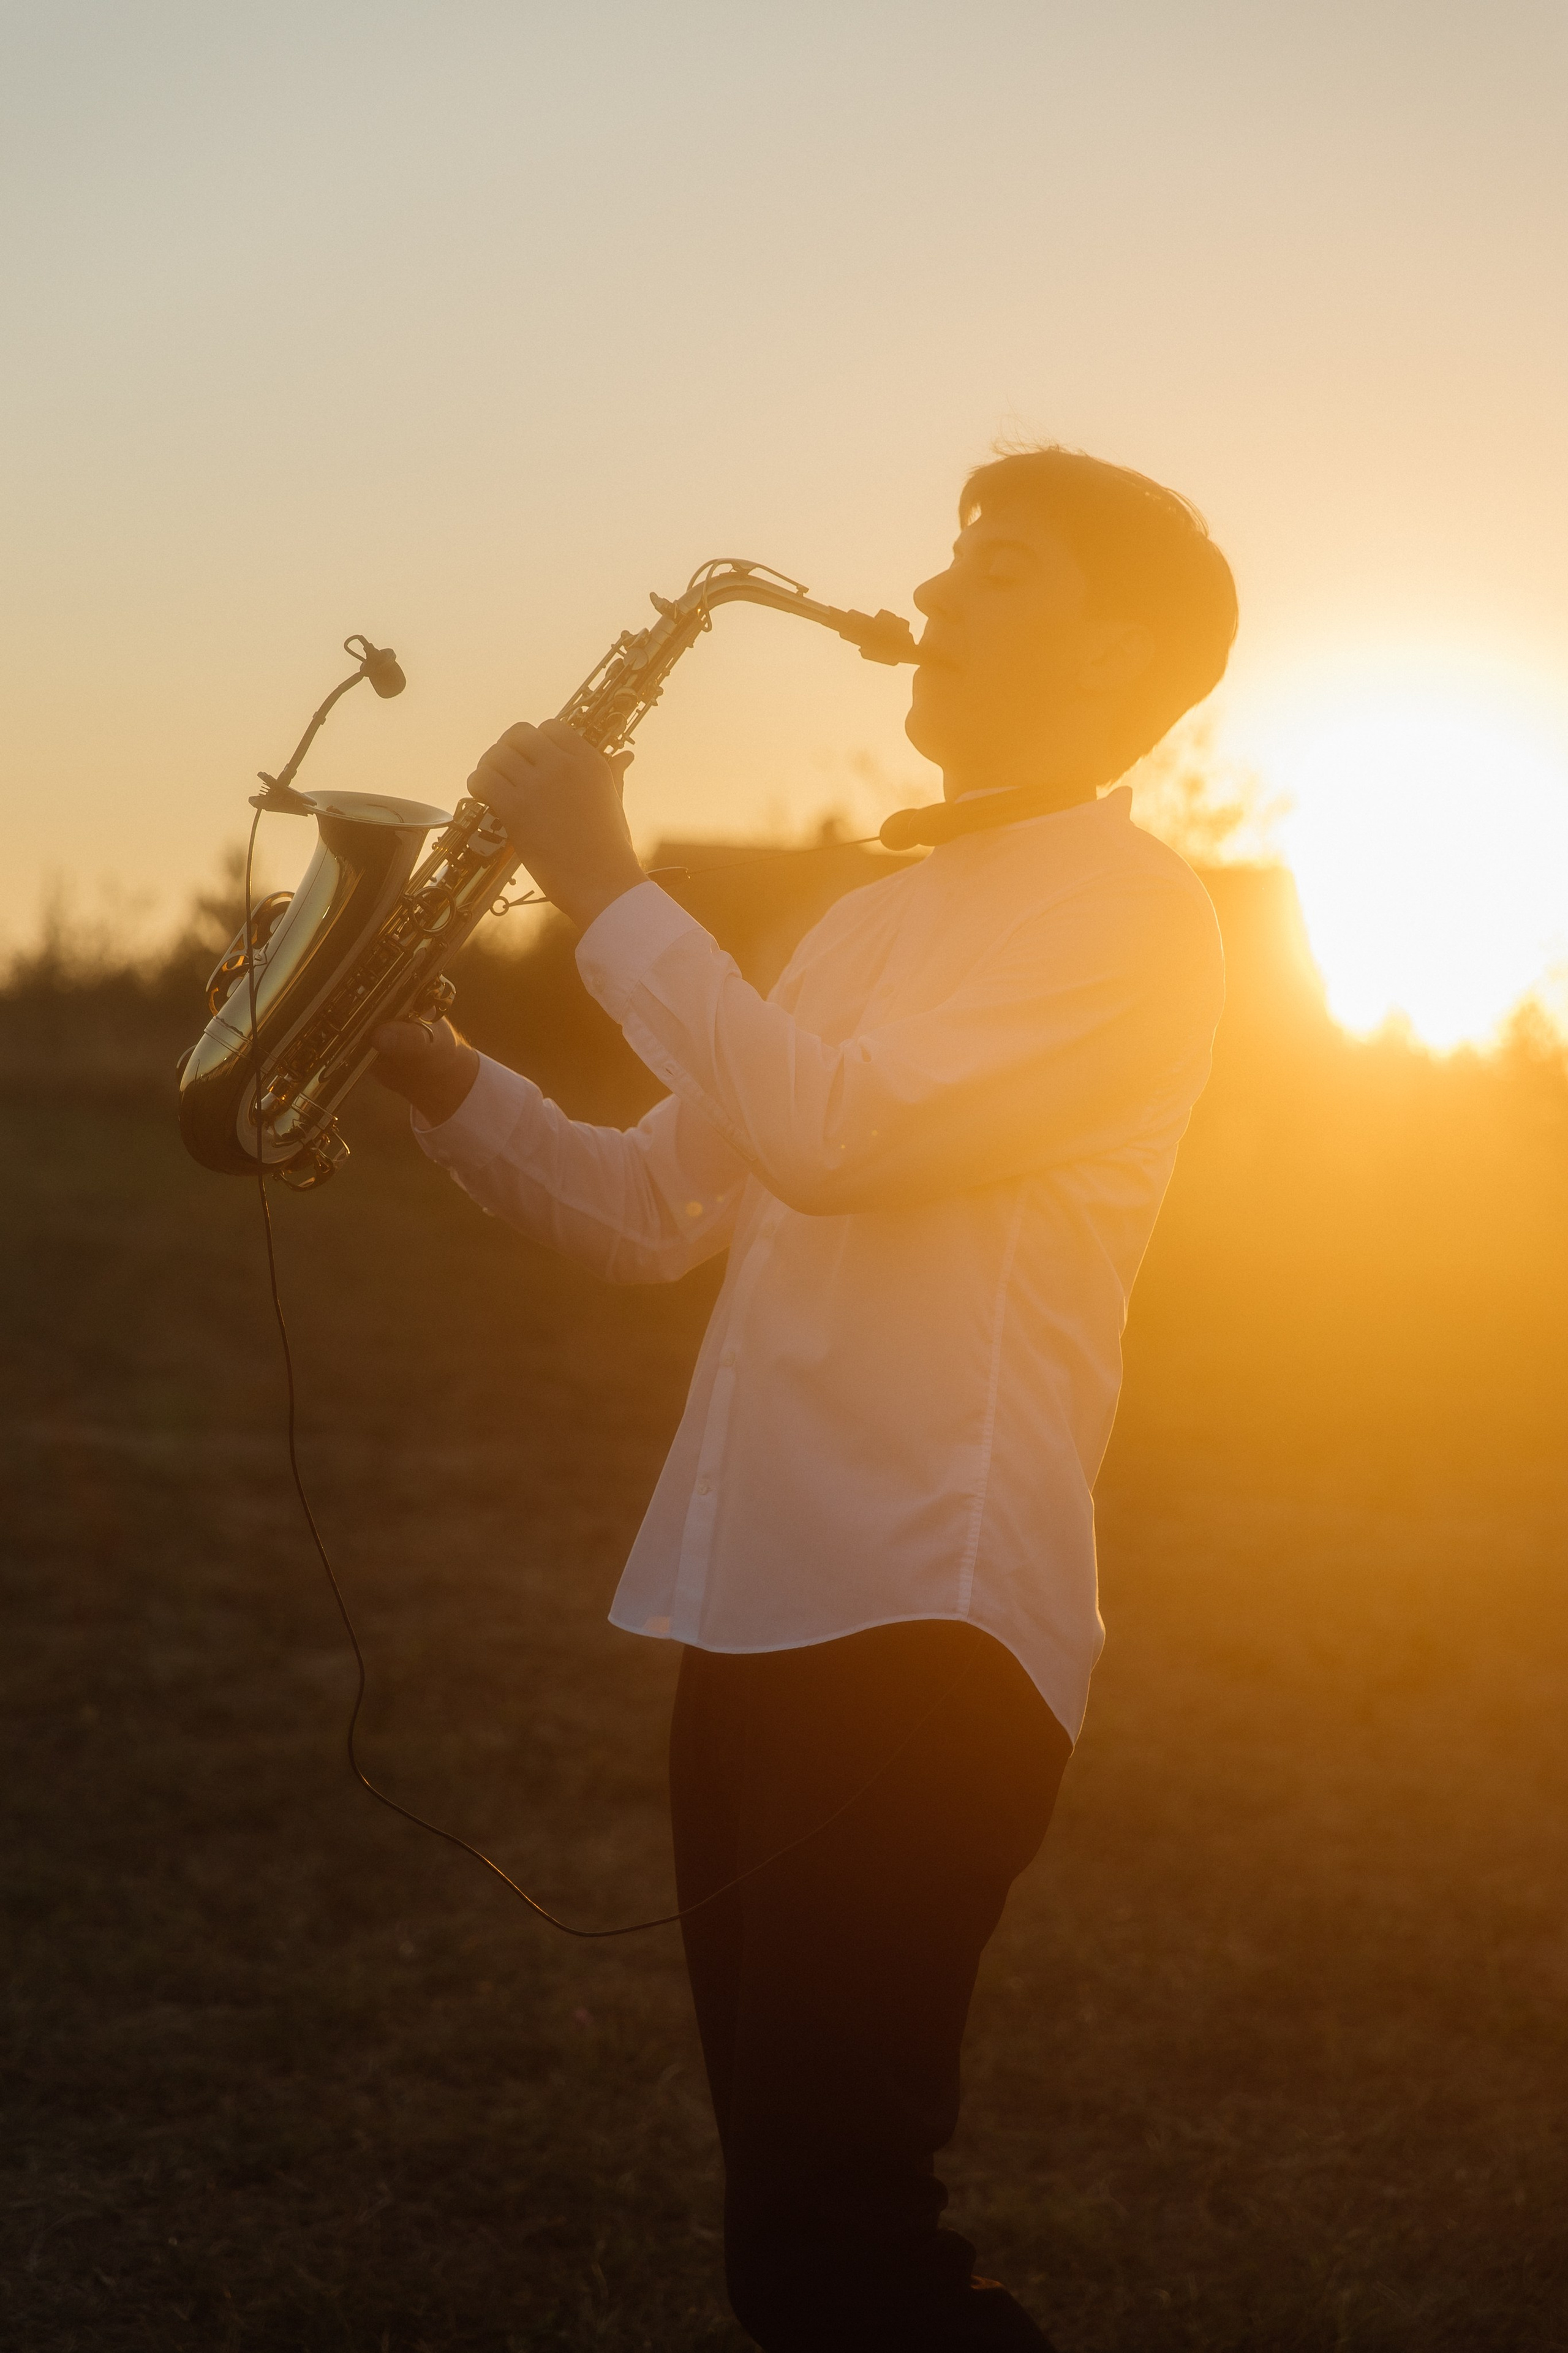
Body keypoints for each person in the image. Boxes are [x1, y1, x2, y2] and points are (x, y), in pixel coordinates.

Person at [372, 445, 1235, 2352]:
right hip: (757, 1617)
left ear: (1125, 656)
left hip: (926, 1623)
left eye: (994, 571)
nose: (929, 601)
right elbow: (646, 1204)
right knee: (797, 2231)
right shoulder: (859, 928)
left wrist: (602, 881)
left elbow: (836, 1139)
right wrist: (416, 1058)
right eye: (948, 560)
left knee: (840, 2248)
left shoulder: (1136, 917)